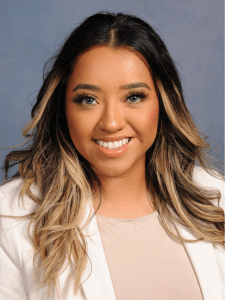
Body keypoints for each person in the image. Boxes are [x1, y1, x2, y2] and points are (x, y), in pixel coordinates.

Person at [0, 11, 224, 300]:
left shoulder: (217, 200)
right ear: (63, 109)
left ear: (164, 102)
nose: (111, 122)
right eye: (88, 99)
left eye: (134, 97)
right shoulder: (11, 220)